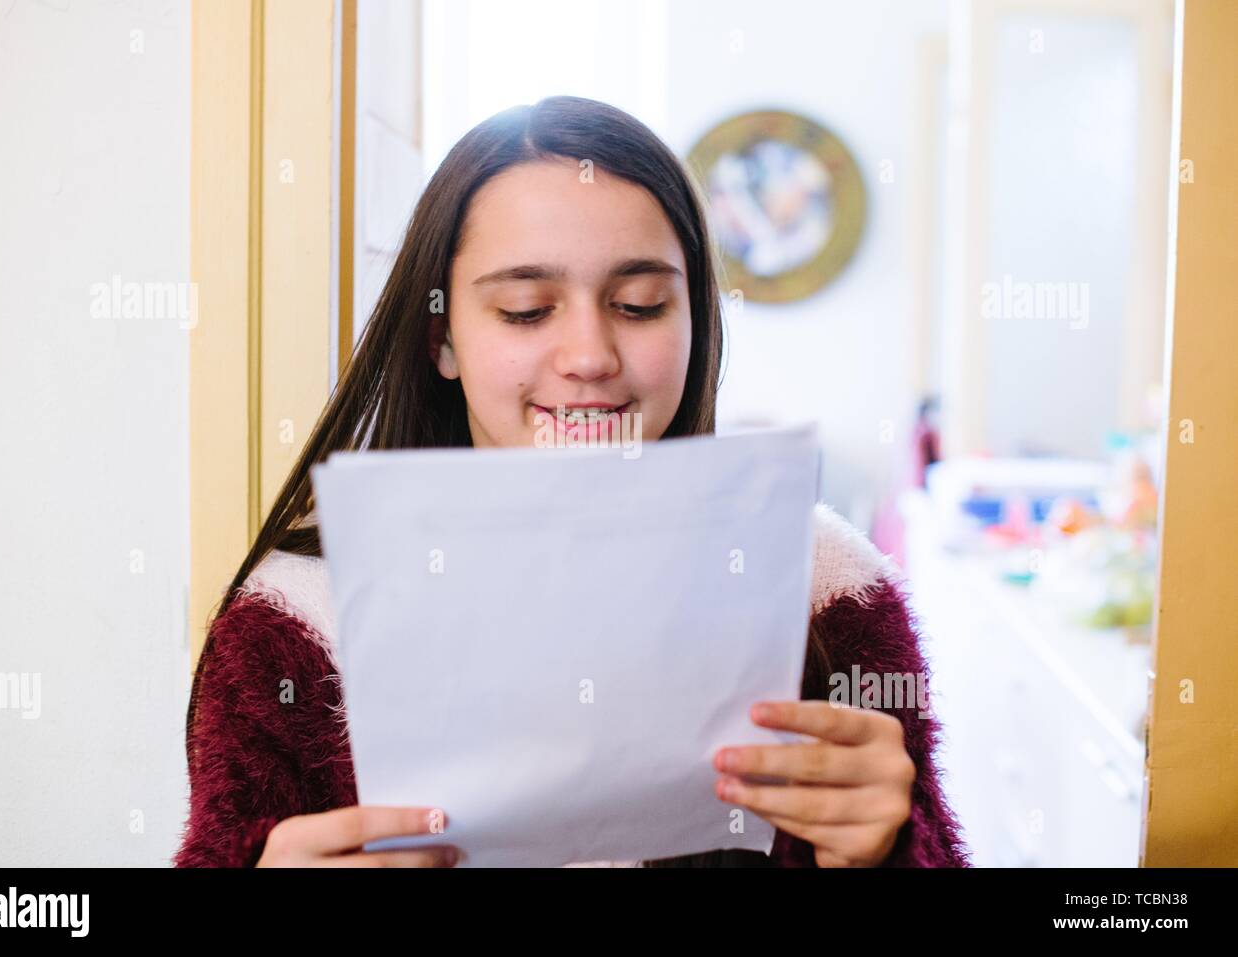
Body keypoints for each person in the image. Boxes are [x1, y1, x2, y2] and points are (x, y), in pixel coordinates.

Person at [172, 96, 969, 869]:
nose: (589, 355)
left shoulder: (826, 589)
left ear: (696, 319)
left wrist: (890, 850)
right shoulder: (295, 623)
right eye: (525, 309)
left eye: (639, 303)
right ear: (442, 337)